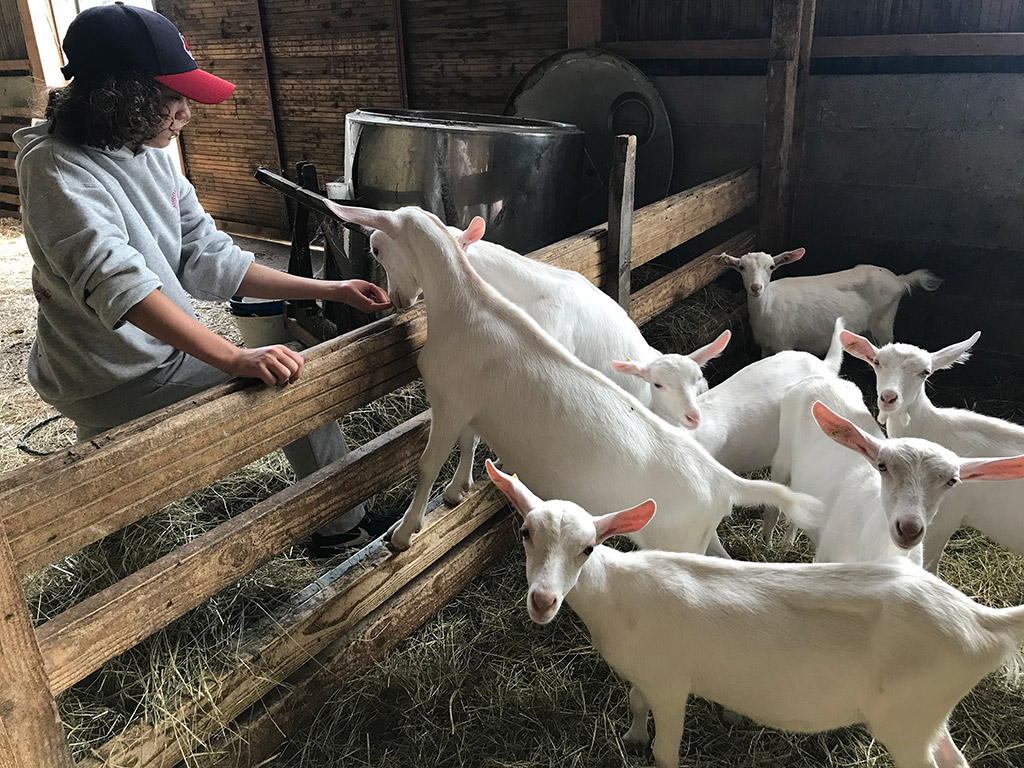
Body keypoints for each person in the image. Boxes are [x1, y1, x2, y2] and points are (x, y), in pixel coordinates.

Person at [15, 3, 391, 553]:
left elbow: (208, 255)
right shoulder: (55, 168)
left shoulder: (147, 151)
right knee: (294, 383)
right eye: (174, 96)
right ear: (122, 95)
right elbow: (119, 285)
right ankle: (340, 531)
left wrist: (329, 288)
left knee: (123, 496)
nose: (187, 111)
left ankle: (114, 520)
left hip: (154, 357)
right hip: (113, 372)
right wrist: (232, 358)